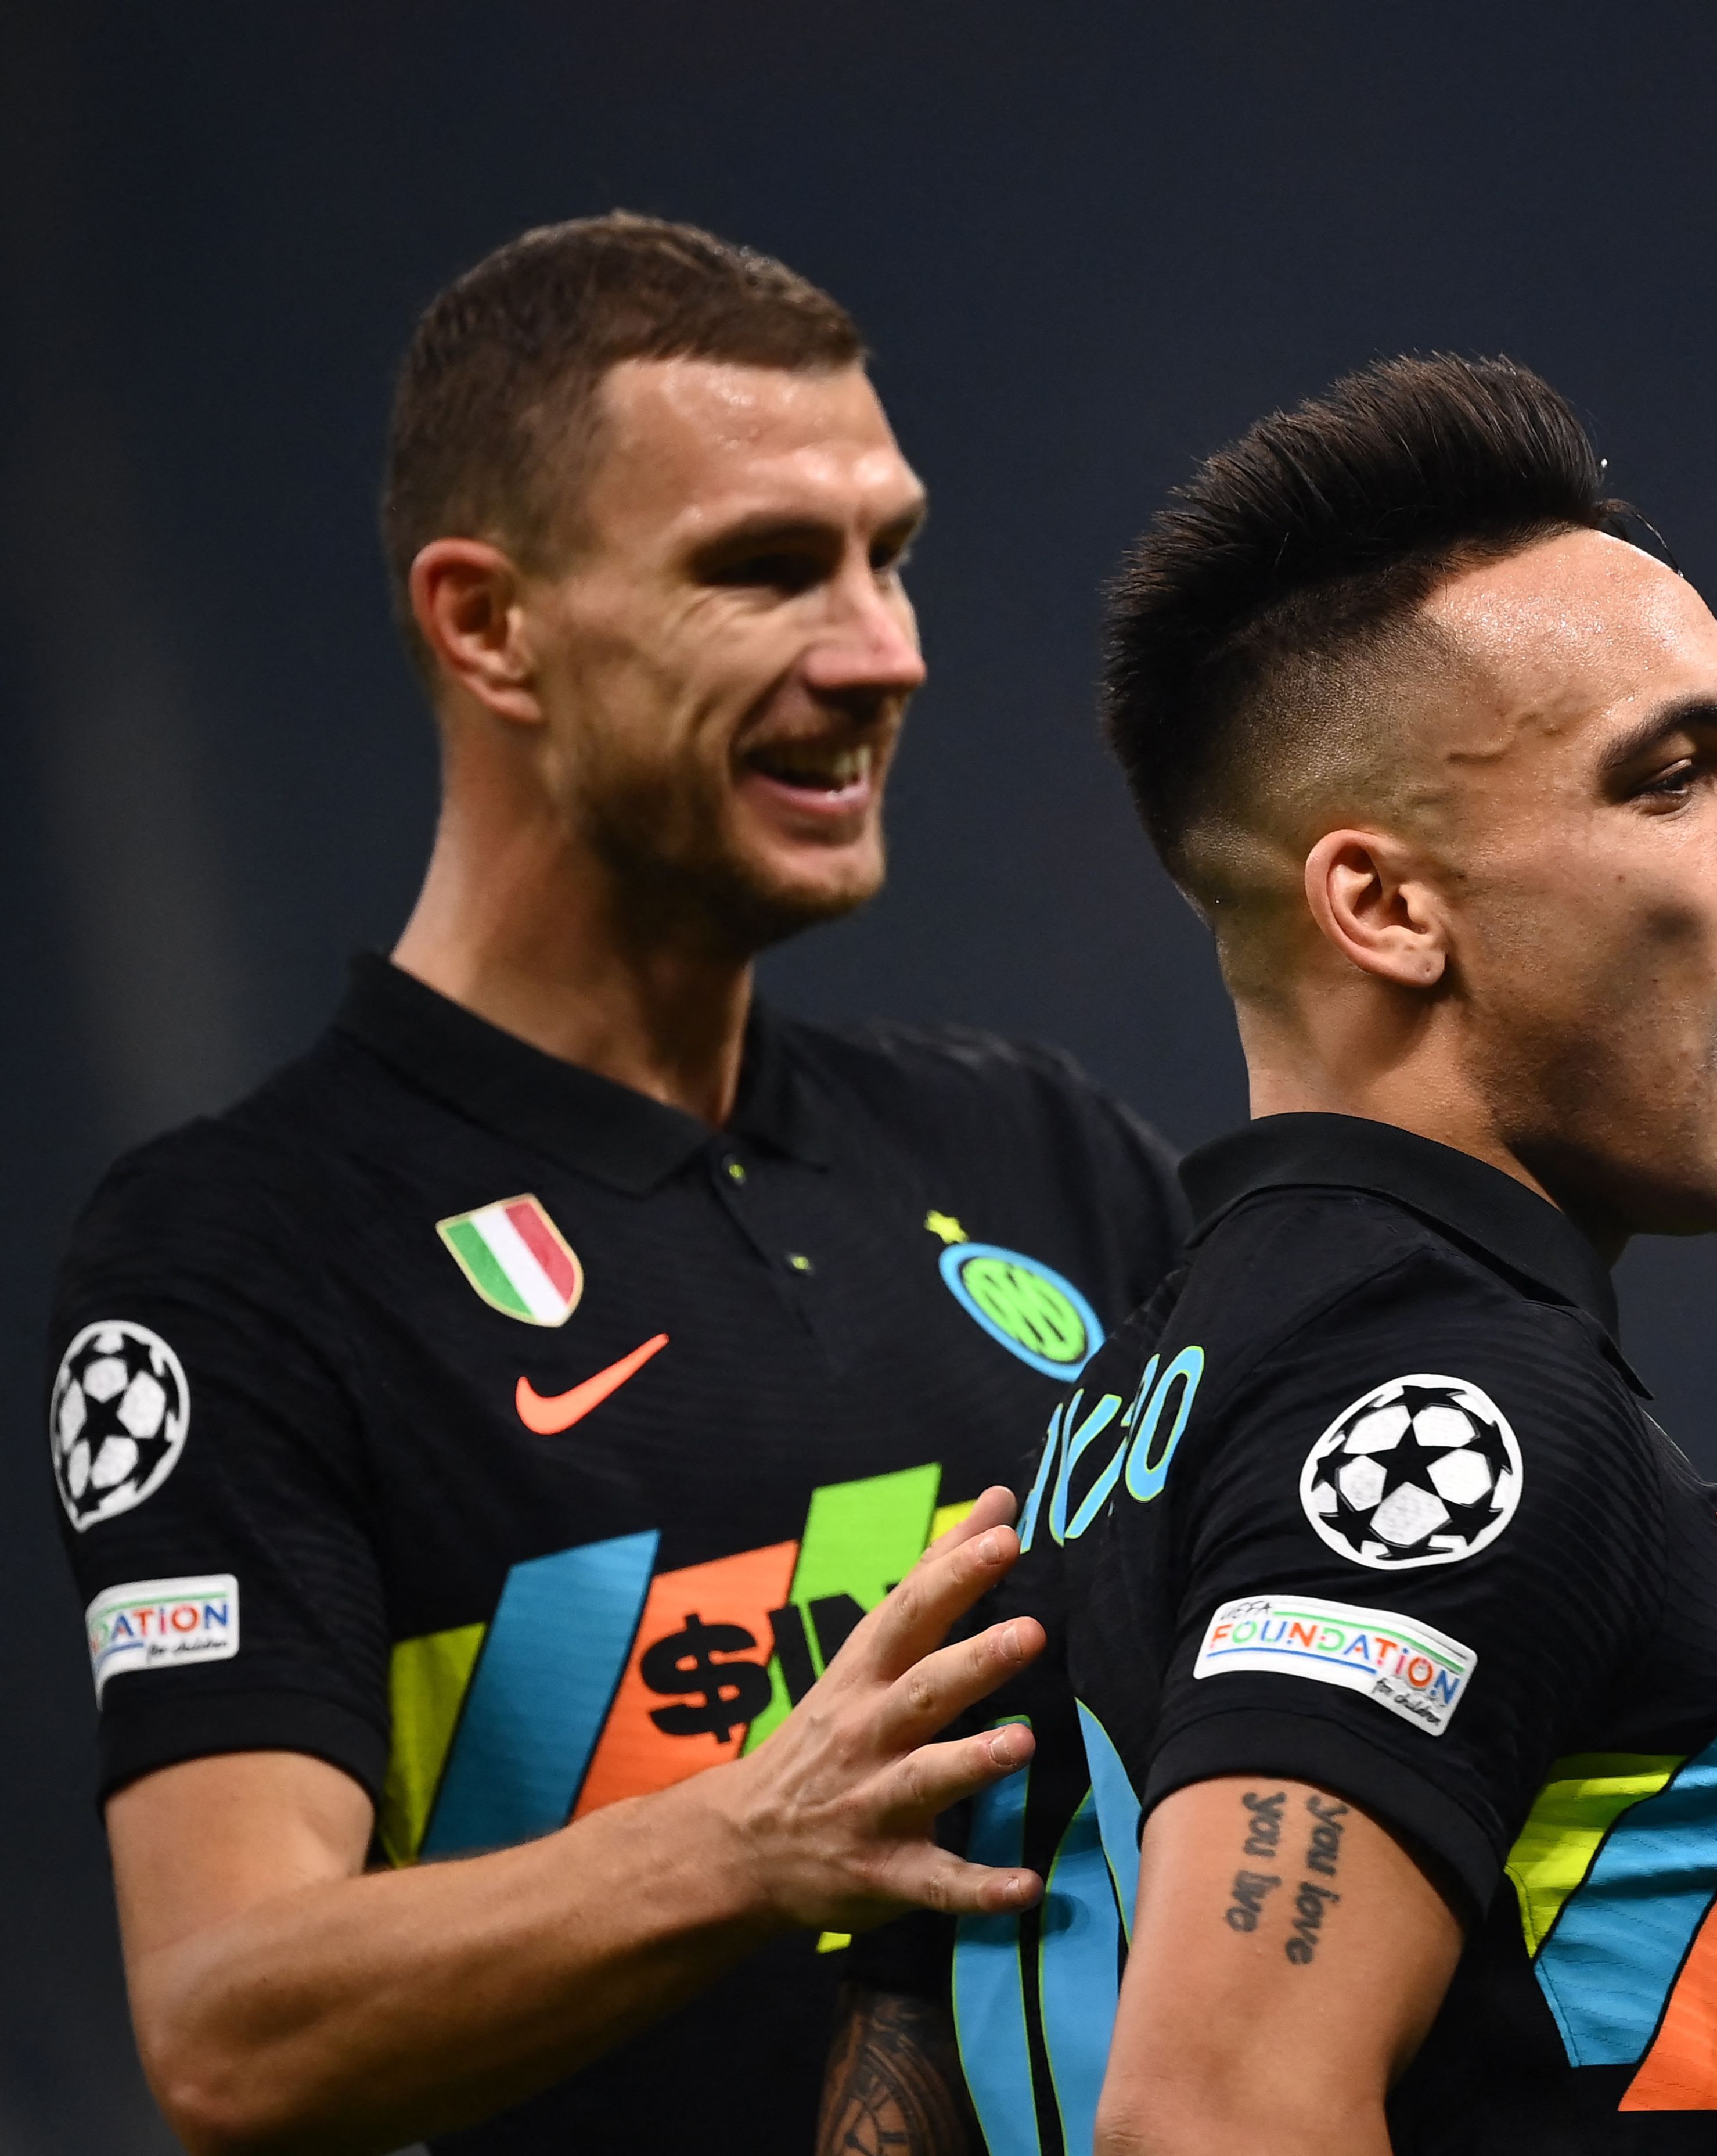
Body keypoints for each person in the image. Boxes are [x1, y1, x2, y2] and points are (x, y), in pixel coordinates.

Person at [818, 354, 1717, 2155]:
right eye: (1674, 776)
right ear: (1385, 907)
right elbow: (1220, 2119)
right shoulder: (1451, 1406)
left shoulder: (1127, 1414)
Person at [45, 214, 1188, 2156]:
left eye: (888, 557)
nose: (882, 652)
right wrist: (753, 1838)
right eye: (763, 572)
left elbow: (1443, 1585)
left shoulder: (1041, 1150)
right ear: (489, 623)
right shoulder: (241, 1262)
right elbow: (232, 2028)